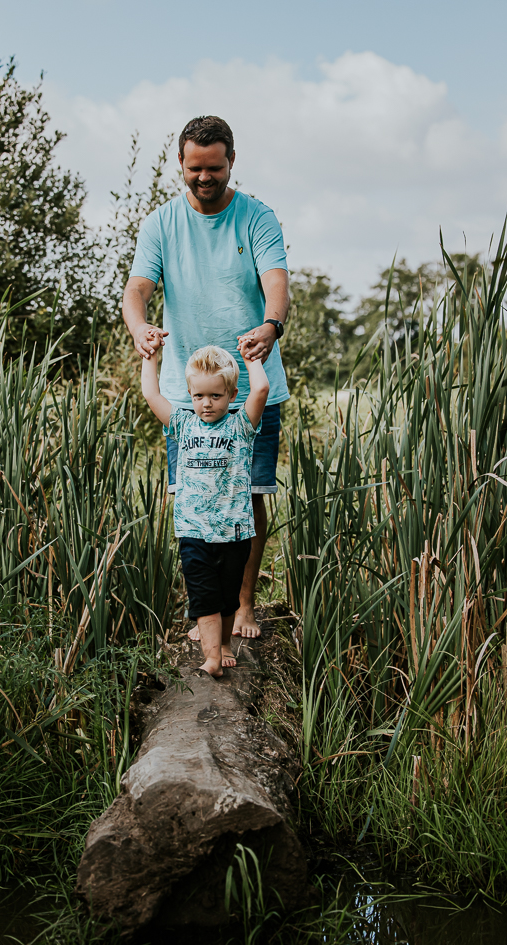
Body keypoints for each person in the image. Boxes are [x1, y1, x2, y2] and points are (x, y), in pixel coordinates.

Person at [122, 114, 290, 640]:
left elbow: (277, 284)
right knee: (194, 501)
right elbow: (137, 292)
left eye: (214, 168)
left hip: (251, 386)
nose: (204, 177)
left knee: (249, 496)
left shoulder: (257, 218)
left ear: (231, 161)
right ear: (181, 163)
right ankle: (208, 613)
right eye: (194, 168)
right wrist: (139, 327)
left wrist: (271, 325)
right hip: (187, 392)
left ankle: (244, 605)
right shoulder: (160, 224)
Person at [141, 340, 269, 676]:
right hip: (193, 530)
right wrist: (150, 359)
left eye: (215, 396)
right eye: (199, 396)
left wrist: (251, 359)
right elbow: (152, 396)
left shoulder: (240, 427)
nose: (207, 404)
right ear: (189, 394)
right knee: (203, 596)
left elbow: (261, 390)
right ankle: (212, 658)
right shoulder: (183, 425)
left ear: (230, 394)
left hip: (234, 531)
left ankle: (225, 644)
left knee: (228, 599)